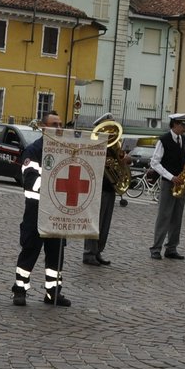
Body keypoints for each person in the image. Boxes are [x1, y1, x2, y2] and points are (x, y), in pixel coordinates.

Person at [13, 110, 71, 307]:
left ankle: (53, 293)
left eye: (61, 124)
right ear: (43, 127)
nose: (59, 128)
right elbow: (30, 181)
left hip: (58, 211)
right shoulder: (33, 150)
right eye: (55, 124)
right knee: (30, 250)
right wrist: (55, 187)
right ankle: (19, 290)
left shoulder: (67, 150)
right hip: (36, 211)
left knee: (56, 254)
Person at [82, 112, 126, 267]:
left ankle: (98, 251)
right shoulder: (95, 143)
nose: (112, 130)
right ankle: (89, 252)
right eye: (109, 126)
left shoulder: (115, 144)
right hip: (98, 186)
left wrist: (124, 160)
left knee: (105, 223)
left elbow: (120, 162)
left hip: (110, 186)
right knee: (95, 221)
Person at [149, 112, 185, 259]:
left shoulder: (184, 139)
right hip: (168, 183)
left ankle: (171, 248)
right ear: (174, 124)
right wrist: (171, 177)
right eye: (182, 125)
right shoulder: (164, 140)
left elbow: (184, 156)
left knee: (177, 217)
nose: (184, 127)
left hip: (181, 183)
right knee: (164, 216)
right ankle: (156, 248)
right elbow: (154, 162)